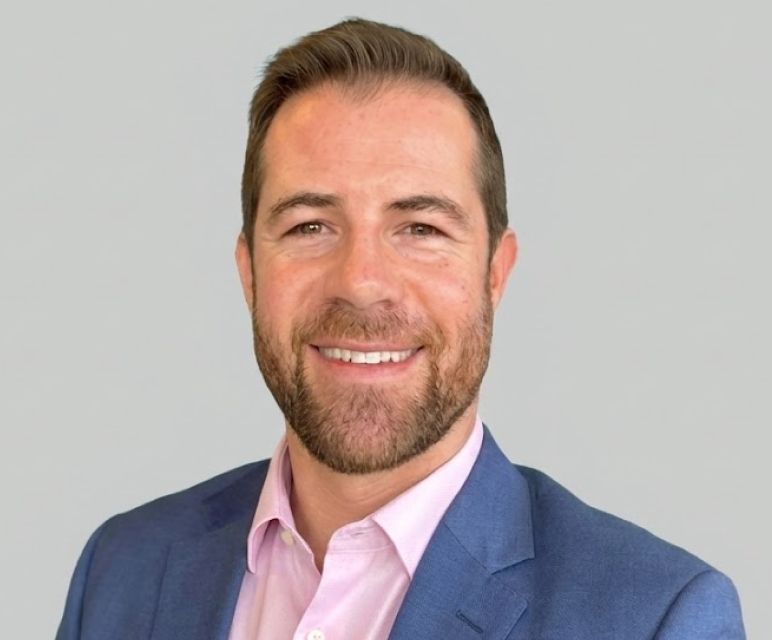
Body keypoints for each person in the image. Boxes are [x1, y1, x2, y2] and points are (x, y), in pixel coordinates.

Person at [56, 18, 745, 640]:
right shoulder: (121, 572)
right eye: (309, 226)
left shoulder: (657, 617)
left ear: (494, 274)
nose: (361, 280)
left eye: (420, 228)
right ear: (249, 272)